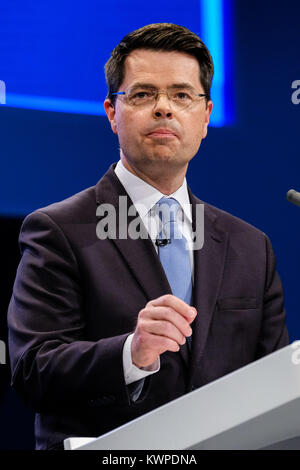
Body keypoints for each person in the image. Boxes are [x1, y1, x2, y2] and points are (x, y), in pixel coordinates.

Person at [7, 23, 289, 451]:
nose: (163, 108)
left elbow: (273, 383)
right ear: (111, 113)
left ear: (206, 115)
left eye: (181, 95)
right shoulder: (58, 230)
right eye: (142, 95)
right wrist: (130, 354)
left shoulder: (251, 246)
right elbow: (33, 372)